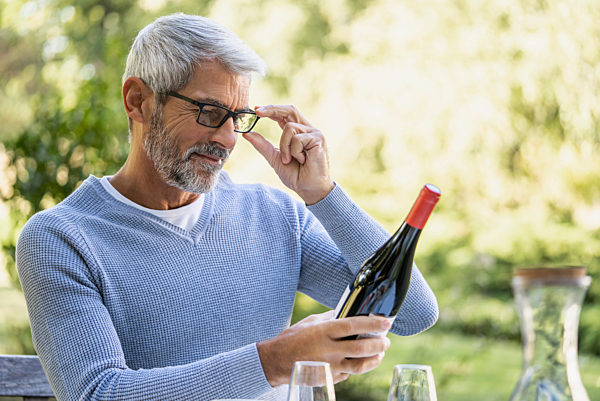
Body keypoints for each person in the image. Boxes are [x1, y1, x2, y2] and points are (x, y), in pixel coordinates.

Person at [16, 13, 438, 401]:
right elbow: (98, 393)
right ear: (138, 101)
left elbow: (413, 313)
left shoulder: (277, 215)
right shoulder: (61, 239)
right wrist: (273, 361)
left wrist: (323, 195)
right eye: (210, 112)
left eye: (237, 116)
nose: (229, 138)